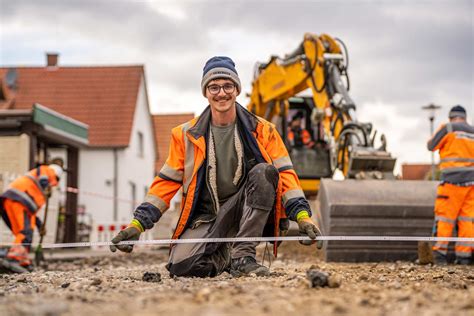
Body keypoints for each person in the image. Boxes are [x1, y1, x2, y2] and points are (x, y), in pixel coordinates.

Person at [110, 56, 323, 277]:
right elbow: (166, 183)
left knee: (265, 172)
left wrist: (302, 216)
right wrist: (138, 224)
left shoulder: (264, 130)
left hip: (244, 208)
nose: (221, 93)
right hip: (206, 215)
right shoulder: (184, 135)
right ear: (206, 92)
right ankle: (225, 258)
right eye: (214, 87)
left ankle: (243, 256)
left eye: (228, 85)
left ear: (237, 89)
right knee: (183, 267)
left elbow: (285, 175)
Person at [427, 105, 473, 265]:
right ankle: (464, 258)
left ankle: (439, 255)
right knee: (467, 220)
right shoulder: (472, 131)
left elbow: (431, 146)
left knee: (445, 218)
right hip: (472, 184)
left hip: (451, 183)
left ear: (451, 117)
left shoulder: (448, 128)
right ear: (465, 117)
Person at [0, 160, 63, 269]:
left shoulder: (36, 190)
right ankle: (14, 258)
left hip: (11, 202)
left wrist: (39, 225)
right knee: (25, 233)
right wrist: (46, 186)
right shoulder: (46, 170)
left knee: (24, 233)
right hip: (18, 200)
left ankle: (21, 259)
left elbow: (32, 214)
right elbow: (44, 179)